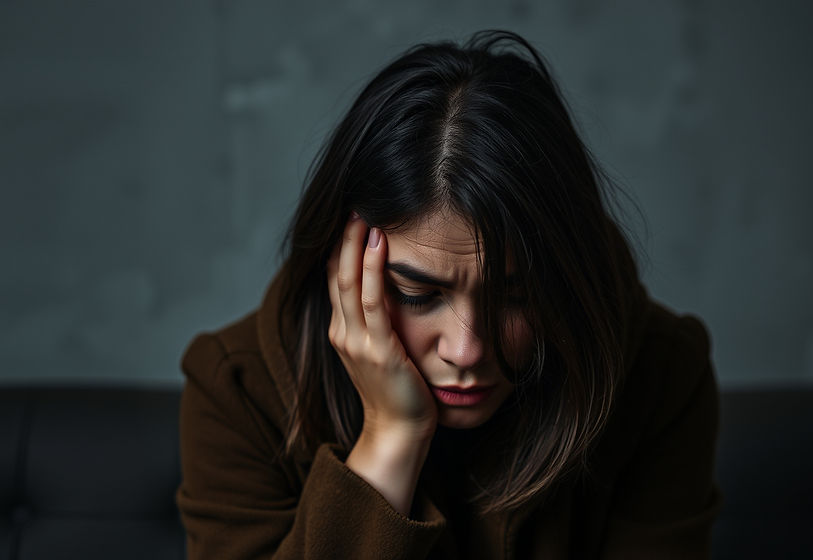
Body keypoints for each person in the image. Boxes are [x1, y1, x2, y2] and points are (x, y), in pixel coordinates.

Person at [176, 29, 721, 559]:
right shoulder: (239, 393)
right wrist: (390, 440)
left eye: (515, 296)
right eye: (417, 293)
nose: (467, 351)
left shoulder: (661, 372)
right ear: (344, 266)